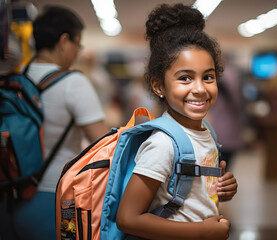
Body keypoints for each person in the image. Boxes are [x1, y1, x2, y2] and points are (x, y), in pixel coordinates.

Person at [116, 3, 238, 240]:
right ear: (158, 85)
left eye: (208, 77)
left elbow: (193, 196)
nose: (200, 88)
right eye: (185, 78)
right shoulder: (162, 144)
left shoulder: (207, 132)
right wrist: (201, 231)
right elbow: (128, 218)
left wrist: (222, 188)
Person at [0, 5, 108, 240]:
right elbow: (104, 144)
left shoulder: (18, 79)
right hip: (59, 199)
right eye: (77, 44)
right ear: (64, 40)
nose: (77, 52)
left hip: (11, 195)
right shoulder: (74, 82)